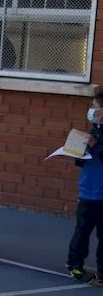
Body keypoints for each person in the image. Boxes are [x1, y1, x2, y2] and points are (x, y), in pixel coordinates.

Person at [67, 87, 103, 285]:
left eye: (94, 107)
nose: (90, 110)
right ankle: (74, 264)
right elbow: (82, 161)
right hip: (88, 192)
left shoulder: (97, 136)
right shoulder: (93, 131)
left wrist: (95, 144)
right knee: (82, 232)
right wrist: (77, 150)